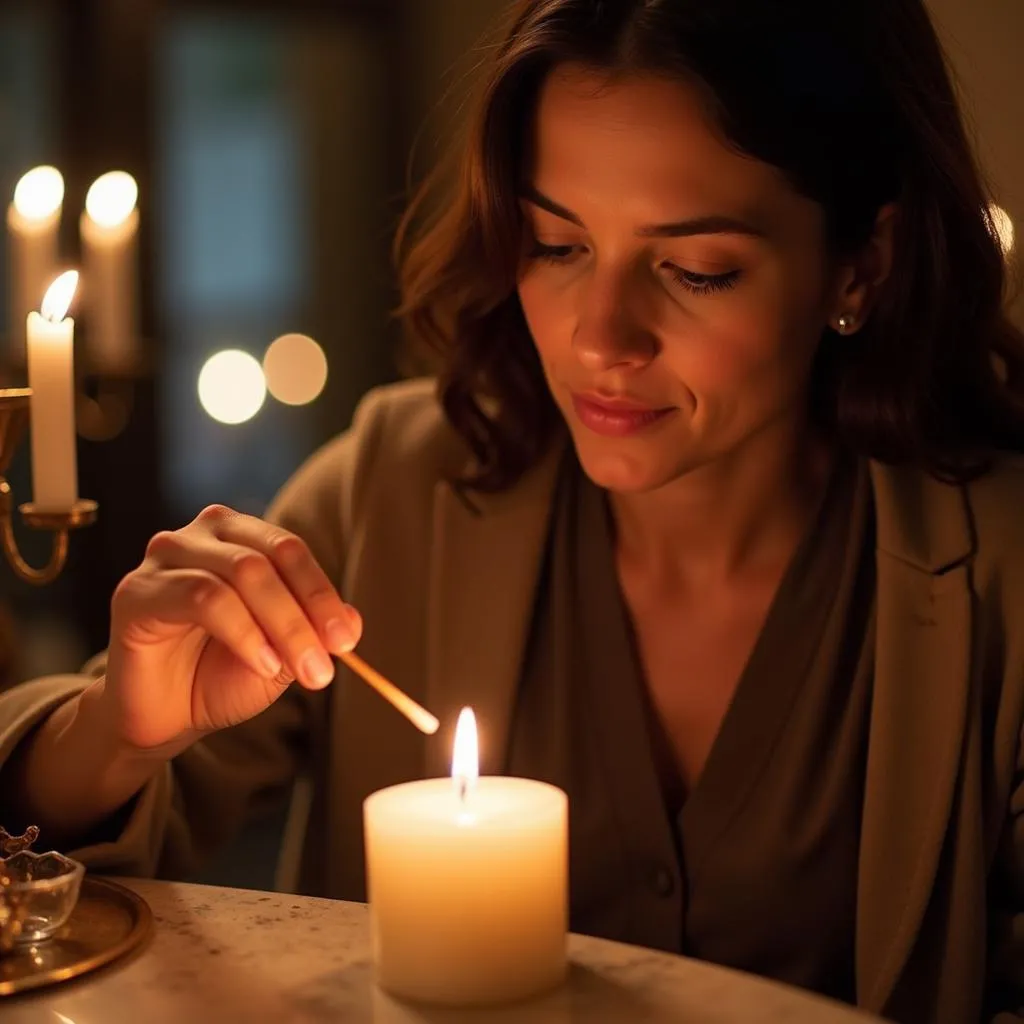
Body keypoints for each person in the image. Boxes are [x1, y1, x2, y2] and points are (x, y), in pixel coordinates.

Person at [1, 0, 1023, 1019]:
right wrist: (118, 729)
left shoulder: (996, 569)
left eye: (695, 268)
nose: (601, 338)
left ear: (861, 266)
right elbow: (42, 869)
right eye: (556, 244)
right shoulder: (393, 491)